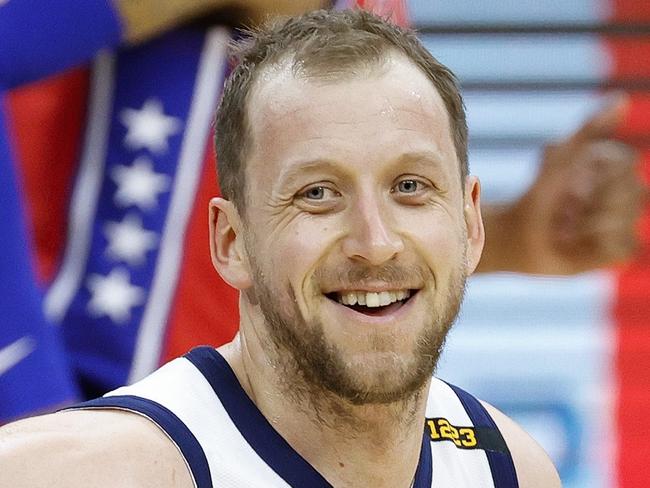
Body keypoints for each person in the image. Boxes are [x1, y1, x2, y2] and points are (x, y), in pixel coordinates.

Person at [0, 10, 561, 487]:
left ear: (472, 223)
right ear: (231, 241)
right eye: (317, 194)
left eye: (409, 187)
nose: (375, 242)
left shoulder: (509, 467)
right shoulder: (85, 472)